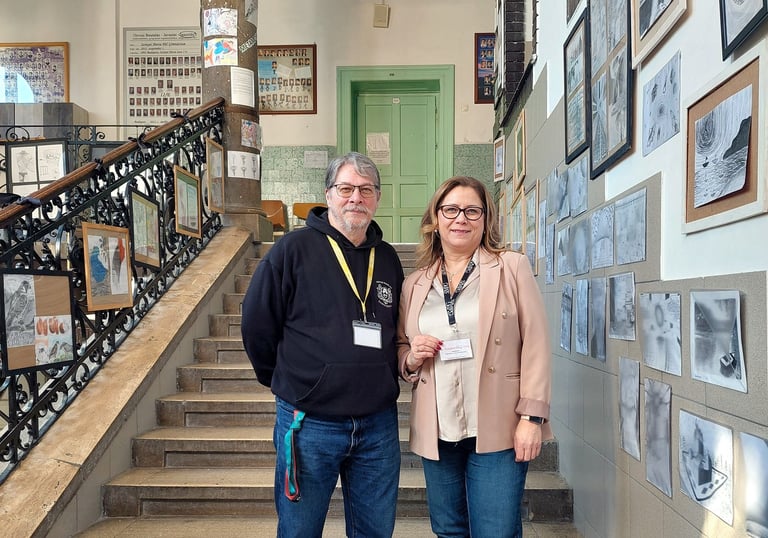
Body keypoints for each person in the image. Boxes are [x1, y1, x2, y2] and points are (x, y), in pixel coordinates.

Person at [241, 152, 404, 538]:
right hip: (309, 421)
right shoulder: (291, 250)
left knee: (375, 533)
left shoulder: (387, 258)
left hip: (377, 425)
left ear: (378, 198)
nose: (356, 198)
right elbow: (257, 325)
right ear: (328, 194)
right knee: (299, 531)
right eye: (346, 188)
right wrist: (293, 382)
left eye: (366, 190)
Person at [397, 176, 552, 538]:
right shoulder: (414, 283)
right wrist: (411, 358)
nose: (460, 219)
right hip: (439, 426)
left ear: (485, 219)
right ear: (436, 219)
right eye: (451, 210)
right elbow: (400, 346)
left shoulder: (511, 267)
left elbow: (536, 343)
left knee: (496, 531)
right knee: (448, 529)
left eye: (472, 211)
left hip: (499, 423)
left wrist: (532, 417)